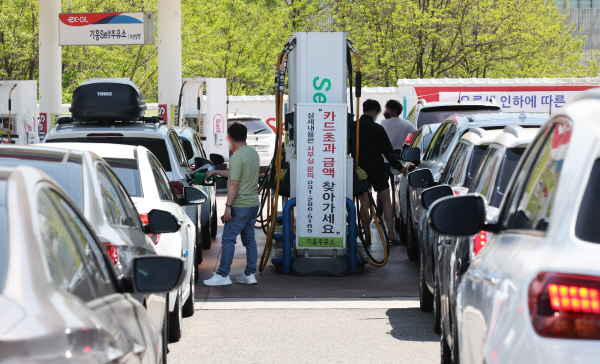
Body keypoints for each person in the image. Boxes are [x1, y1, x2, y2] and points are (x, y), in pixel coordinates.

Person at [203, 122, 260, 286]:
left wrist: (228, 206)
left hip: (240, 205)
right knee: (249, 240)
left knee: (228, 239)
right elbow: (234, 173)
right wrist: (214, 171)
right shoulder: (252, 154)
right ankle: (250, 274)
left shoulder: (237, 157)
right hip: (252, 204)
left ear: (230, 138)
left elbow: (234, 183)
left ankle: (223, 275)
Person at [358, 99, 406, 245]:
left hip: (358, 169)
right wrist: (401, 168)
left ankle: (367, 237)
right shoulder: (377, 128)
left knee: (364, 203)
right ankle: (390, 234)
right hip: (377, 168)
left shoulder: (353, 127)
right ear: (374, 111)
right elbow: (388, 152)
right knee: (386, 199)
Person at [378, 100, 417, 221]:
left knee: (382, 188)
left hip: (383, 159)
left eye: (387, 109)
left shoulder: (383, 122)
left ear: (393, 111)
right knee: (397, 190)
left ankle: (379, 215)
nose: (385, 111)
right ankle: (396, 213)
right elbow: (417, 133)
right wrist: (406, 145)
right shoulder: (406, 124)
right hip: (398, 160)